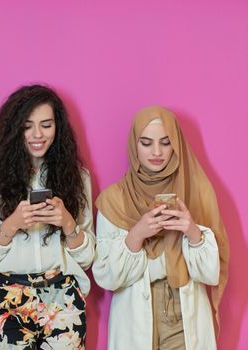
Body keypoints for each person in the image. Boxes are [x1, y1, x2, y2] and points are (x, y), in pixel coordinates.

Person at [92, 106, 229, 350]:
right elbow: (107, 278)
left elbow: (211, 273)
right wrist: (137, 234)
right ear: (135, 145)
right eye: (146, 143)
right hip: (134, 313)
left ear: (176, 144)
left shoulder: (196, 190)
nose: (157, 152)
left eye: (165, 143)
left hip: (184, 312)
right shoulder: (114, 199)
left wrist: (192, 231)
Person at [0, 84, 95, 349]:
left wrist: (68, 223)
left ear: (57, 128)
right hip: (7, 294)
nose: (37, 134)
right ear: (15, 129)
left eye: (46, 125)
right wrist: (13, 223)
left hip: (63, 293)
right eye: (27, 126)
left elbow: (85, 258)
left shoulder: (78, 178)